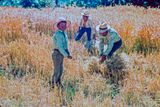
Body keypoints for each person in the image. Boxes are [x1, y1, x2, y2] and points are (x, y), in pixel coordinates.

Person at [51, 17, 72, 88]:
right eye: (62, 26)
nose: (63, 27)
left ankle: (58, 83)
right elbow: (60, 47)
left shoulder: (64, 34)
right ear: (58, 26)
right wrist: (66, 55)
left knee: (61, 69)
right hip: (57, 53)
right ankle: (53, 84)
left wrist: (68, 52)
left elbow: (65, 45)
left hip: (61, 53)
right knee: (57, 70)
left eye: (64, 26)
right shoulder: (58, 34)